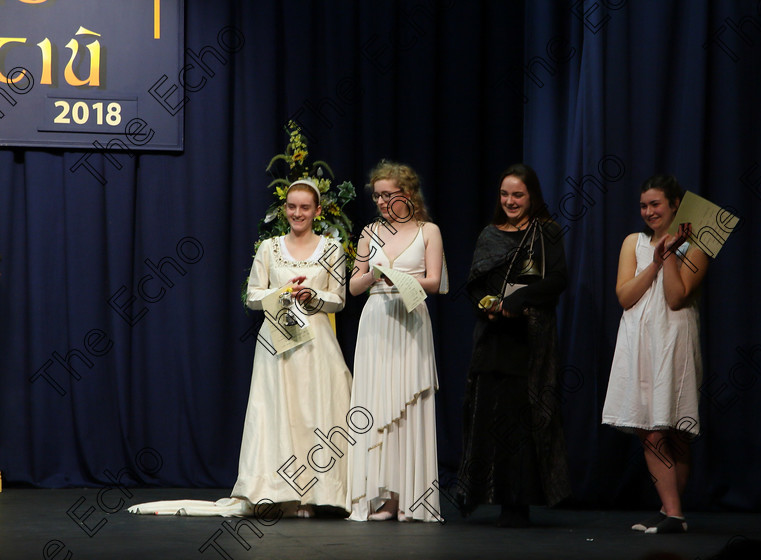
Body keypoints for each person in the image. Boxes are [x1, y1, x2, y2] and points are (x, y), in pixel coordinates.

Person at [128, 179, 352, 517]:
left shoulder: (332, 249)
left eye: (305, 207)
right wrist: (283, 293)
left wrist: (313, 296)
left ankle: (319, 494)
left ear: (317, 211)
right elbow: (253, 296)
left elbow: (339, 299)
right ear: (285, 208)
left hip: (317, 343)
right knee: (278, 414)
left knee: (315, 412)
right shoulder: (269, 248)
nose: (297, 213)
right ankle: (279, 493)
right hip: (278, 342)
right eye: (292, 206)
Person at [457, 163, 570, 528]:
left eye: (517, 195)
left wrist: (519, 300)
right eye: (505, 194)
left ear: (532, 196)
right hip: (492, 341)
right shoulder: (489, 234)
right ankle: (478, 495)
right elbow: (474, 285)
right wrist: (486, 306)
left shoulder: (546, 233)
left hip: (529, 341)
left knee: (523, 422)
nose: (510, 201)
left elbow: (557, 280)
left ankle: (518, 503)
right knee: (488, 418)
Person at [601, 174, 710, 534]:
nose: (648, 211)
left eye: (656, 204)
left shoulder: (697, 243)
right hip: (637, 338)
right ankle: (671, 511)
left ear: (675, 205)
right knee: (648, 427)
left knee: (673, 428)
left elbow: (676, 297)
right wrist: (656, 259)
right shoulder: (633, 242)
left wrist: (672, 257)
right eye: (644, 205)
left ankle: (672, 512)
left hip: (673, 337)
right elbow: (625, 295)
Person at [346, 161, 446, 522]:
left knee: (408, 405)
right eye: (378, 196)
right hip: (376, 320)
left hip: (410, 316)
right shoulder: (369, 232)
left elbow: (435, 281)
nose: (383, 202)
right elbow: (353, 286)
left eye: (389, 195)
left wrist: (402, 276)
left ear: (408, 194)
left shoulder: (428, 231)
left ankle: (411, 499)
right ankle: (383, 499)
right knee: (377, 406)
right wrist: (374, 273)